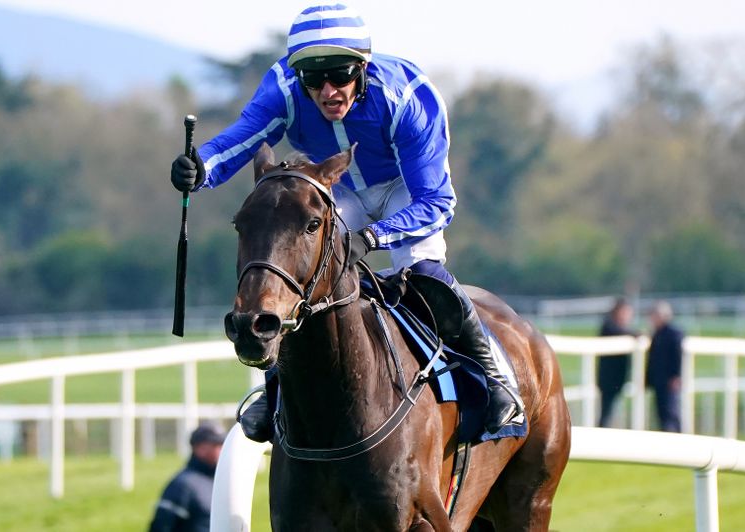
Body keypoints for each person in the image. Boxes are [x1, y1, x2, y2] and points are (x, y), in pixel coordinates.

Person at [170, 3, 522, 439]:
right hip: (336, 187)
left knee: (421, 273)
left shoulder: (409, 98)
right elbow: (242, 139)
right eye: (314, 79)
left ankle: (498, 379)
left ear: (363, 67)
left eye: (340, 74)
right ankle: (275, 389)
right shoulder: (283, 89)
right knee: (300, 272)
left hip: (405, 187)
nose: (328, 90)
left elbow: (437, 200)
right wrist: (199, 167)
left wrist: (374, 236)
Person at [148, 424, 226, 532]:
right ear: (200, 448)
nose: (223, 449)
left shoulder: (219, 481)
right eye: (217, 445)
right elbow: (161, 527)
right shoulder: (182, 486)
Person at [596, 297, 638, 427]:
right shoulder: (609, 326)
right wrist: (636, 334)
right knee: (607, 413)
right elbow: (618, 332)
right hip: (609, 380)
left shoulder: (616, 327)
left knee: (611, 412)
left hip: (617, 379)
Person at [645, 301, 685, 432]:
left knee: (670, 413)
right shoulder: (657, 334)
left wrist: (676, 376)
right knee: (662, 413)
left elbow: (678, 357)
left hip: (669, 381)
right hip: (659, 380)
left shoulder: (674, 334)